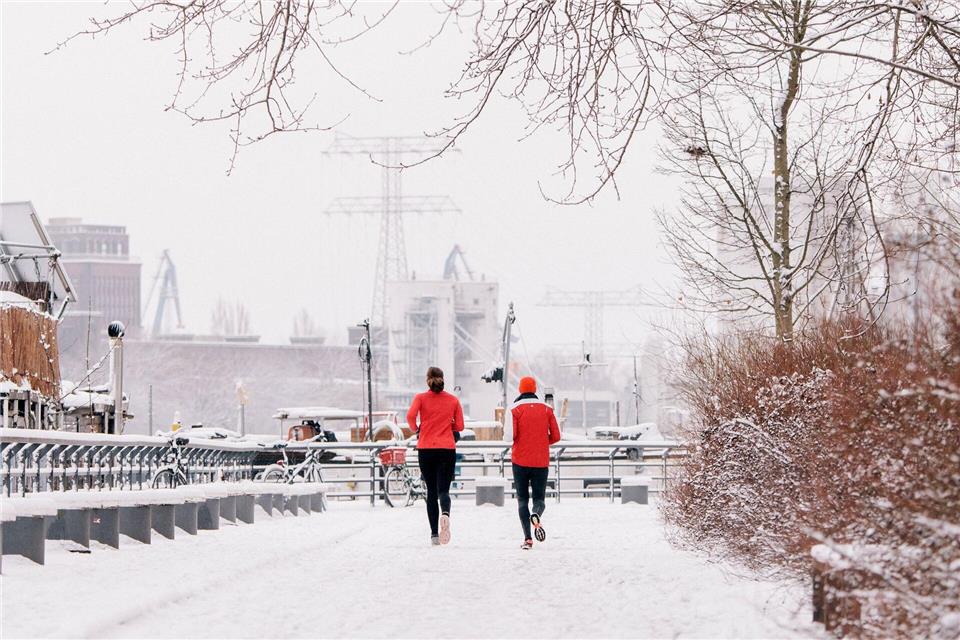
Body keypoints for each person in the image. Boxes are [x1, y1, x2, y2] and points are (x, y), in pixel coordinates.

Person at [407, 366, 464, 545]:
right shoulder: (453, 400)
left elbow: (410, 416)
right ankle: (445, 514)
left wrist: (417, 430)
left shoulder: (420, 398)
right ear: (443, 379)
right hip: (446, 449)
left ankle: (434, 535)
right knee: (444, 490)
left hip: (426, 449)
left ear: (427, 380)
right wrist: (450, 428)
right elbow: (460, 426)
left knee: (431, 492)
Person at [511, 376, 561, 550]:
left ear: (520, 390)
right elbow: (556, 436)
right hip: (541, 461)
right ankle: (536, 513)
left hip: (520, 461)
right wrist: (540, 442)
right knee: (539, 498)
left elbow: (511, 436)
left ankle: (528, 539)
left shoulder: (515, 410)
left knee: (522, 500)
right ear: (534, 390)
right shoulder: (547, 409)